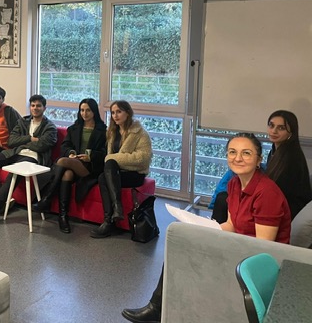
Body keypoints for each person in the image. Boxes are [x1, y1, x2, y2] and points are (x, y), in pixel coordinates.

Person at [122, 133, 291, 323]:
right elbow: (231, 225)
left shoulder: (266, 192)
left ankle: (160, 309)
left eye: (246, 153)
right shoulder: (234, 184)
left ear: (259, 160)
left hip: (258, 261)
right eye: (232, 152)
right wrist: (204, 230)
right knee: (182, 243)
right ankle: (160, 307)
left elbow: (263, 247)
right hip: (242, 246)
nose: (238, 158)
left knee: (190, 251)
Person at [209, 110, 312, 223]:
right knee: (225, 195)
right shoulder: (275, 150)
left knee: (223, 200)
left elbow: (276, 193)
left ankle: (217, 231)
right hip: (270, 199)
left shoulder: (291, 159)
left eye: (281, 128)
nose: (274, 131)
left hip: (282, 209)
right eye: (271, 126)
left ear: (291, 133)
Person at [0, 94, 58, 228]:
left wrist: (23, 142)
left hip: (32, 158)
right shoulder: (23, 121)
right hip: (15, 153)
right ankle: (1, 197)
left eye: (38, 106)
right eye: (33, 105)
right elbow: (11, 141)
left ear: (44, 108)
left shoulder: (50, 127)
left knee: (14, 173)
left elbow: (42, 146)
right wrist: (30, 139)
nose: (35, 108)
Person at [36, 98, 107, 233]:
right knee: (67, 174)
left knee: (62, 161)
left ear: (94, 112)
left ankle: (47, 198)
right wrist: (71, 153)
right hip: (73, 163)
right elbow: (65, 146)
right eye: (82, 110)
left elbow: (105, 153)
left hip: (91, 167)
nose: (84, 113)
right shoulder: (74, 128)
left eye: (88, 110)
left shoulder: (103, 131)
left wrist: (90, 156)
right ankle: (63, 217)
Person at [90, 100, 152, 239]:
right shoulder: (112, 132)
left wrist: (114, 159)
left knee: (109, 163)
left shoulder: (140, 133)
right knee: (103, 176)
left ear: (127, 113)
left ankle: (110, 220)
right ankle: (112, 216)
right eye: (113, 113)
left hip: (134, 174)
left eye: (119, 112)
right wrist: (112, 160)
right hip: (115, 172)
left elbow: (143, 158)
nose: (115, 116)